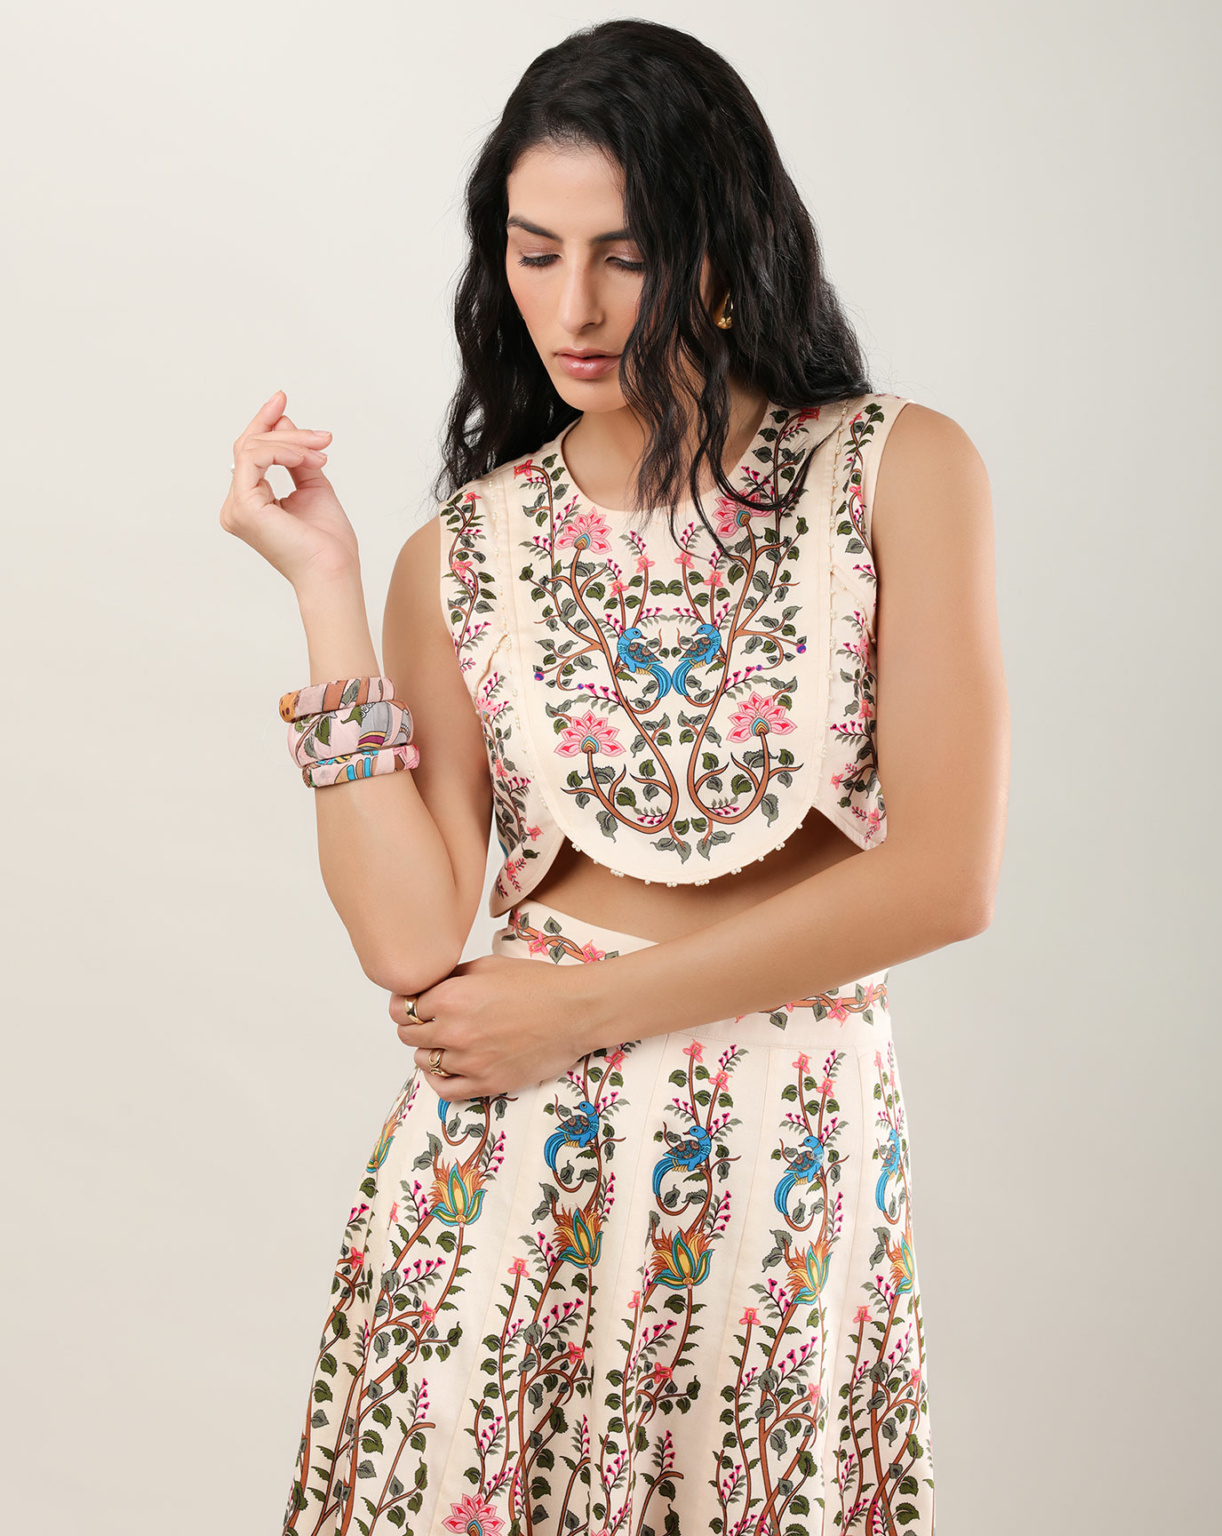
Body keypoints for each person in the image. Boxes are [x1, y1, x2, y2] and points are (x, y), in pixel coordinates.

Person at [220, 19, 1007, 1536]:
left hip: (787, 1154)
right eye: (534, 254)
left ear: (723, 246)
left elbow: (943, 879)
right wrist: (326, 587)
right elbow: (409, 938)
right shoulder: (463, 550)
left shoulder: (896, 473)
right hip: (510, 1182)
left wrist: (582, 1012)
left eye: (625, 256)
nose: (572, 309)